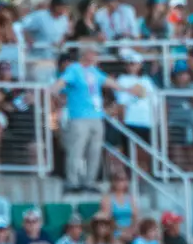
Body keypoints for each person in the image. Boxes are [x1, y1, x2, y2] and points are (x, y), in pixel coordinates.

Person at [52, 45, 143, 193]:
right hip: (79, 117)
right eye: (93, 53)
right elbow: (61, 83)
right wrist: (54, 93)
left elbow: (108, 82)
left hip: (96, 117)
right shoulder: (74, 69)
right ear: (86, 54)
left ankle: (89, 181)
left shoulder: (94, 71)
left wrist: (127, 90)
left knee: (94, 151)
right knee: (77, 150)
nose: (95, 56)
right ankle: (72, 181)